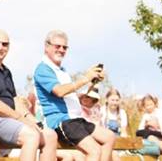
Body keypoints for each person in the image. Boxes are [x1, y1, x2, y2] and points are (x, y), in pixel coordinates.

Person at [0, 29, 57, 161]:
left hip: (5, 120)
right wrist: (21, 119)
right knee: (31, 135)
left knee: (50, 135)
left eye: (5, 44)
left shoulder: (5, 71)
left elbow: (15, 101)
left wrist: (31, 119)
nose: (0, 47)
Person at [33, 29, 113, 161]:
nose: (61, 50)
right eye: (57, 46)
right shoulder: (43, 69)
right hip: (62, 121)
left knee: (109, 137)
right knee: (94, 151)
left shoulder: (61, 70)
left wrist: (92, 83)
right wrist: (86, 78)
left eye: (64, 47)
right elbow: (59, 91)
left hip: (75, 120)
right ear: (46, 46)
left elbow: (68, 95)